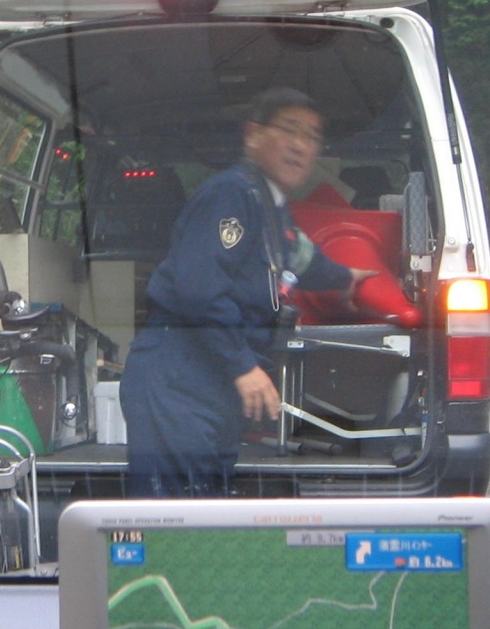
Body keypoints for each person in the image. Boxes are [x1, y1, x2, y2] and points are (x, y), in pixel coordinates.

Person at [119, 88, 374, 498]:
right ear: (253, 135)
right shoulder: (232, 194)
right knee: (173, 525)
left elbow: (300, 257)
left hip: (212, 385)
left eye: (311, 137)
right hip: (179, 378)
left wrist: (347, 278)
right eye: (289, 130)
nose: (300, 146)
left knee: (207, 513)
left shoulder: (271, 208)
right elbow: (198, 289)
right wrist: (242, 366)